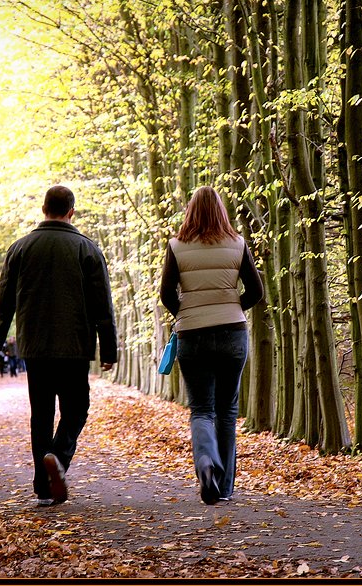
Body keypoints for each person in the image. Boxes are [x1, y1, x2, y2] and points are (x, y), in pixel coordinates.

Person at [0, 185, 118, 507]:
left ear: (43, 208)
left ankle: (43, 488)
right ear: (71, 212)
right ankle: (58, 457)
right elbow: (103, 305)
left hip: (34, 347)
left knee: (41, 415)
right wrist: (109, 349)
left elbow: (3, 305)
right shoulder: (86, 249)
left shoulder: (20, 248)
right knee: (77, 409)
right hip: (75, 347)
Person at [158, 186, 264, 505]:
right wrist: (232, 307)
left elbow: (166, 294)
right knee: (227, 410)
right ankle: (226, 486)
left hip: (192, 335)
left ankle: (206, 464)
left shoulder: (176, 246)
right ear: (221, 211)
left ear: (190, 212)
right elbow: (256, 292)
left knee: (202, 408)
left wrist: (187, 313)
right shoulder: (238, 243)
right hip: (232, 334)